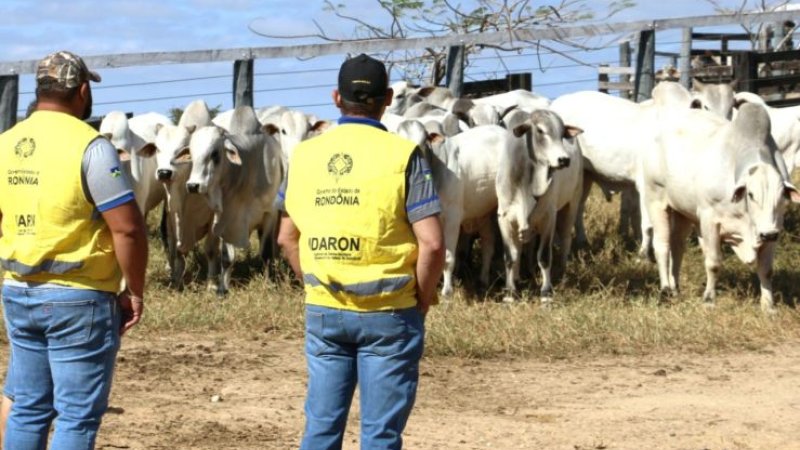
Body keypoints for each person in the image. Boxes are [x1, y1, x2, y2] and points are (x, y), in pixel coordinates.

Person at [276, 53, 445, 450]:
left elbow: (286, 238)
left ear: (336, 98)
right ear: (387, 99)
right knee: (380, 435)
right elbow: (433, 243)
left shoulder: (303, 156)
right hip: (390, 312)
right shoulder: (404, 155)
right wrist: (421, 297)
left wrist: (314, 286)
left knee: (319, 431)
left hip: (325, 308)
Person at [0, 50, 148, 450]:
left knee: (28, 407)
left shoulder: (6, 143)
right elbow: (128, 229)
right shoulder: (92, 147)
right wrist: (134, 290)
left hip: (18, 290)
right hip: (78, 297)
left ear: (41, 89)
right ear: (83, 90)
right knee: (76, 417)